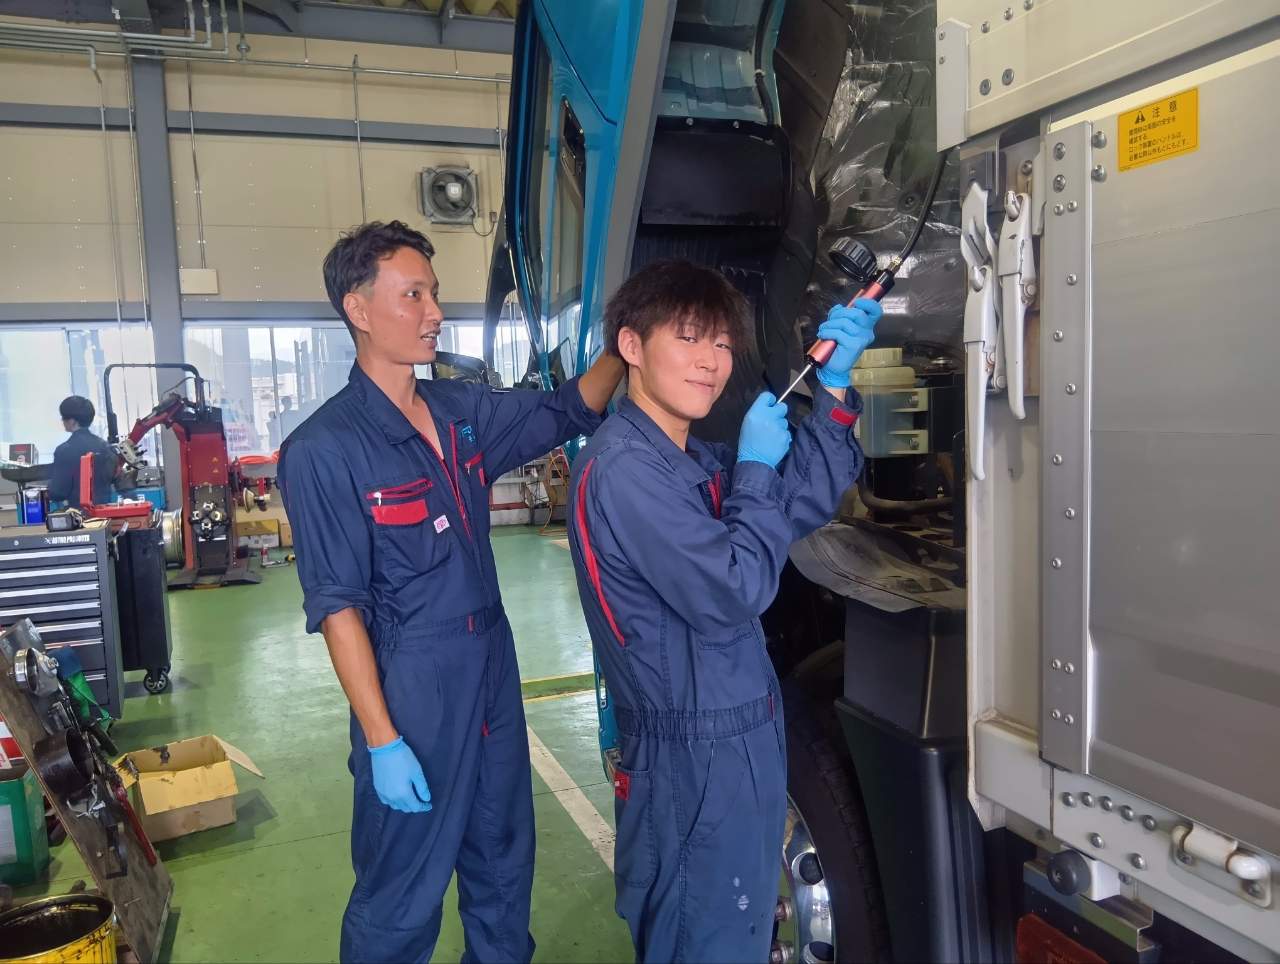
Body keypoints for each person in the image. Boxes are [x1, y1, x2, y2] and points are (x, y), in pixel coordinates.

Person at [277, 220, 624, 963]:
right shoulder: (323, 449)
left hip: (492, 663)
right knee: (402, 893)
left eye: (434, 294)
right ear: (358, 309)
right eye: (414, 295)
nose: (435, 313)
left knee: (503, 862)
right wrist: (382, 739)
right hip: (413, 685)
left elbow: (569, 408)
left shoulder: (461, 412)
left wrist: (625, 346)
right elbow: (337, 608)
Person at [567, 260, 882, 962]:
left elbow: (798, 501)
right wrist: (756, 470)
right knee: (703, 941)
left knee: (739, 934)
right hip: (689, 762)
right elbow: (734, 588)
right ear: (631, 346)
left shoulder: (689, 460)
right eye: (688, 338)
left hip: (737, 741)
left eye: (721, 342)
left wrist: (833, 386)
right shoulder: (624, 470)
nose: (711, 361)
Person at [48, 395, 116, 510]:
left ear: (72, 421)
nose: (62, 421)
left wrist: (49, 488)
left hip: (78, 515)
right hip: (104, 513)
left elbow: (58, 492)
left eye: (64, 418)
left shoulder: (64, 450)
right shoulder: (104, 446)